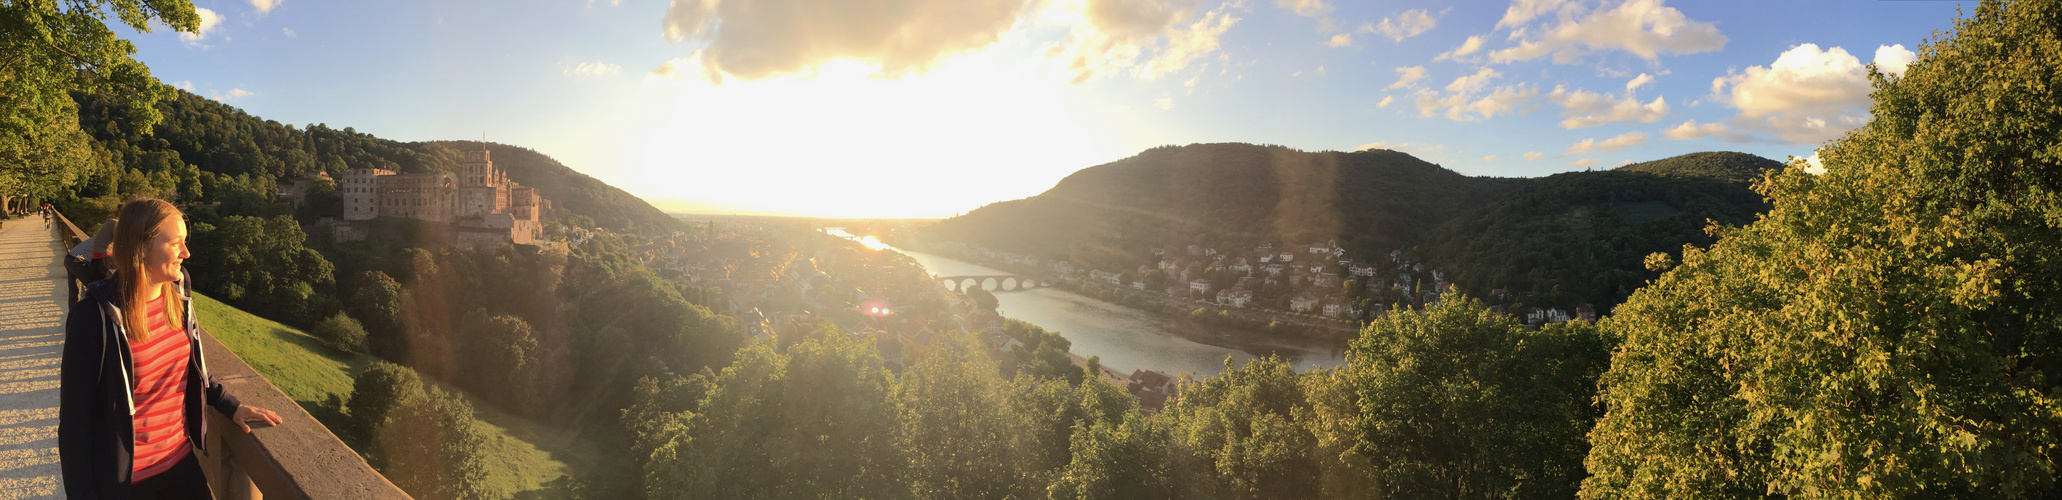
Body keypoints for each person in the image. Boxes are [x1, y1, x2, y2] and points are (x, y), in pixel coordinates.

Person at [59, 199, 284, 499]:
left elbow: (193, 367)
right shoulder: (92, 318)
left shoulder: (179, 293)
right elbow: (74, 424)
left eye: (185, 242)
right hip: (127, 482)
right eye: (176, 243)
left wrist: (231, 405)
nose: (186, 253)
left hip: (181, 464)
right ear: (141, 247)